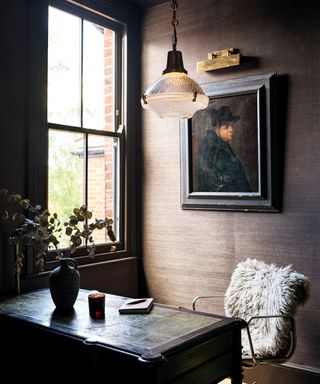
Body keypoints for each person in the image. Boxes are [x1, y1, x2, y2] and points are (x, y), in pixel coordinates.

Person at [195, 106, 251, 192]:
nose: (231, 130)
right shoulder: (210, 145)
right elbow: (207, 174)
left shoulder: (223, 143)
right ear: (217, 128)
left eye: (231, 126)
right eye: (226, 127)